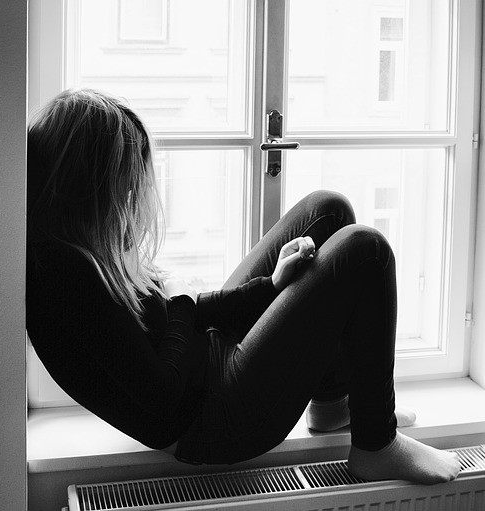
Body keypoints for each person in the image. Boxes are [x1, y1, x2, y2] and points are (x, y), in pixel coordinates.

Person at [26, 89, 460, 485]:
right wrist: (179, 298)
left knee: (326, 211)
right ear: (88, 189)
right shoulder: (66, 281)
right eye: (125, 186)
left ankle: (332, 404)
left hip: (212, 360)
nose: (134, 198)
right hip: (215, 419)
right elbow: (162, 395)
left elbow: (185, 317)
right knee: (366, 250)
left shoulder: (77, 250)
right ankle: (376, 445)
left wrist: (270, 287)